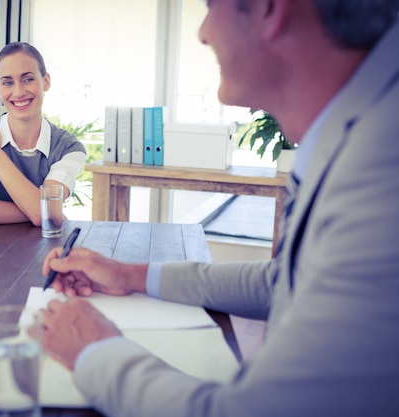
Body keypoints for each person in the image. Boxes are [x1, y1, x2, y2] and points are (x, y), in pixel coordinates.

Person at [38, 1, 399, 416]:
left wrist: (94, 353)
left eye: (211, 7)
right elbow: (285, 283)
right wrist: (128, 275)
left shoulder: (382, 167)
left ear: (270, 8)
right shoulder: (355, 129)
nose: (203, 32)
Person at [0, 42, 86, 226]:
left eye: (28, 79)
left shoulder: (69, 148)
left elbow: (46, 212)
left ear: (46, 81)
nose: (18, 92)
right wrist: (44, 210)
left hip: (44, 250)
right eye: (8, 82)